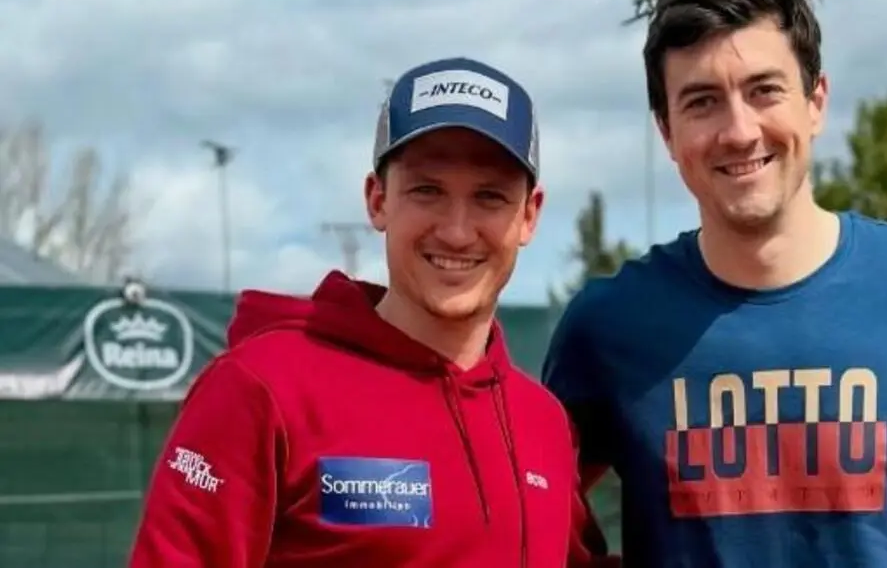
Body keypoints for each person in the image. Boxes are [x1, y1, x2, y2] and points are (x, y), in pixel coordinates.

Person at [542, 0, 887, 567]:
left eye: (764, 90)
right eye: (702, 101)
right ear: (666, 131)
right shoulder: (607, 325)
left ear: (816, 102)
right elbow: (535, 521)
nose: (739, 131)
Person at [129, 57, 579, 567]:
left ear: (529, 215)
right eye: (427, 191)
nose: (456, 231)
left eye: (489, 197)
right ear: (378, 200)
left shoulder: (545, 425)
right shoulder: (261, 389)